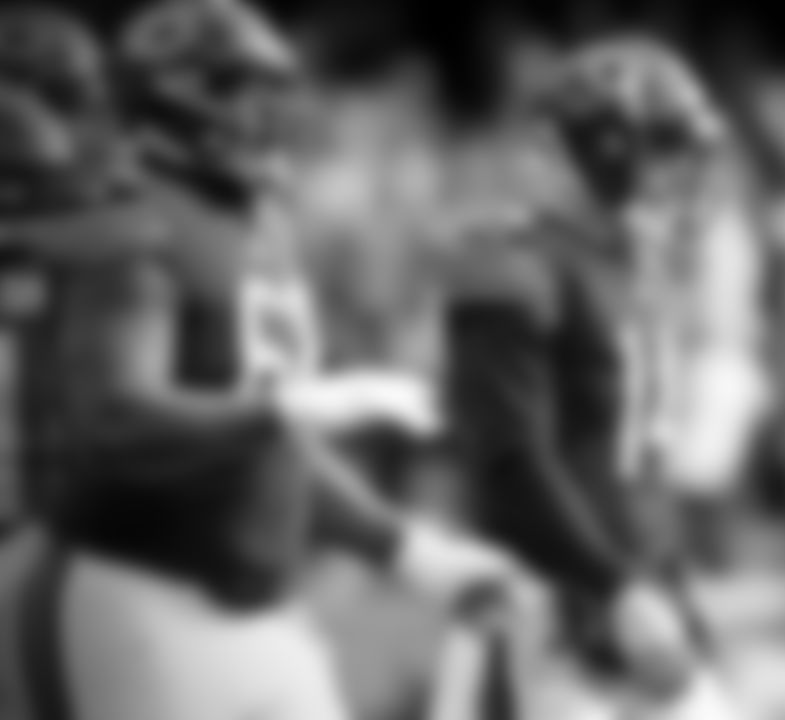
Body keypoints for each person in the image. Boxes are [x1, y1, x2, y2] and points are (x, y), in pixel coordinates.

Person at [0, 1, 527, 719]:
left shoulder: (255, 230)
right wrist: (292, 406)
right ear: (181, 100)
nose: (269, 118)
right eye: (243, 94)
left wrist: (405, 548)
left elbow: (257, 439)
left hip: (246, 608)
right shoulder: (129, 222)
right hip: (130, 585)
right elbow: (116, 420)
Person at [444, 35, 741, 720]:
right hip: (544, 613)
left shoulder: (634, 268)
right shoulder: (512, 265)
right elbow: (507, 471)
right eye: (664, 151)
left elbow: (632, 472)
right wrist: (617, 589)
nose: (678, 177)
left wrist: (663, 585)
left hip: (634, 600)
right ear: (605, 149)